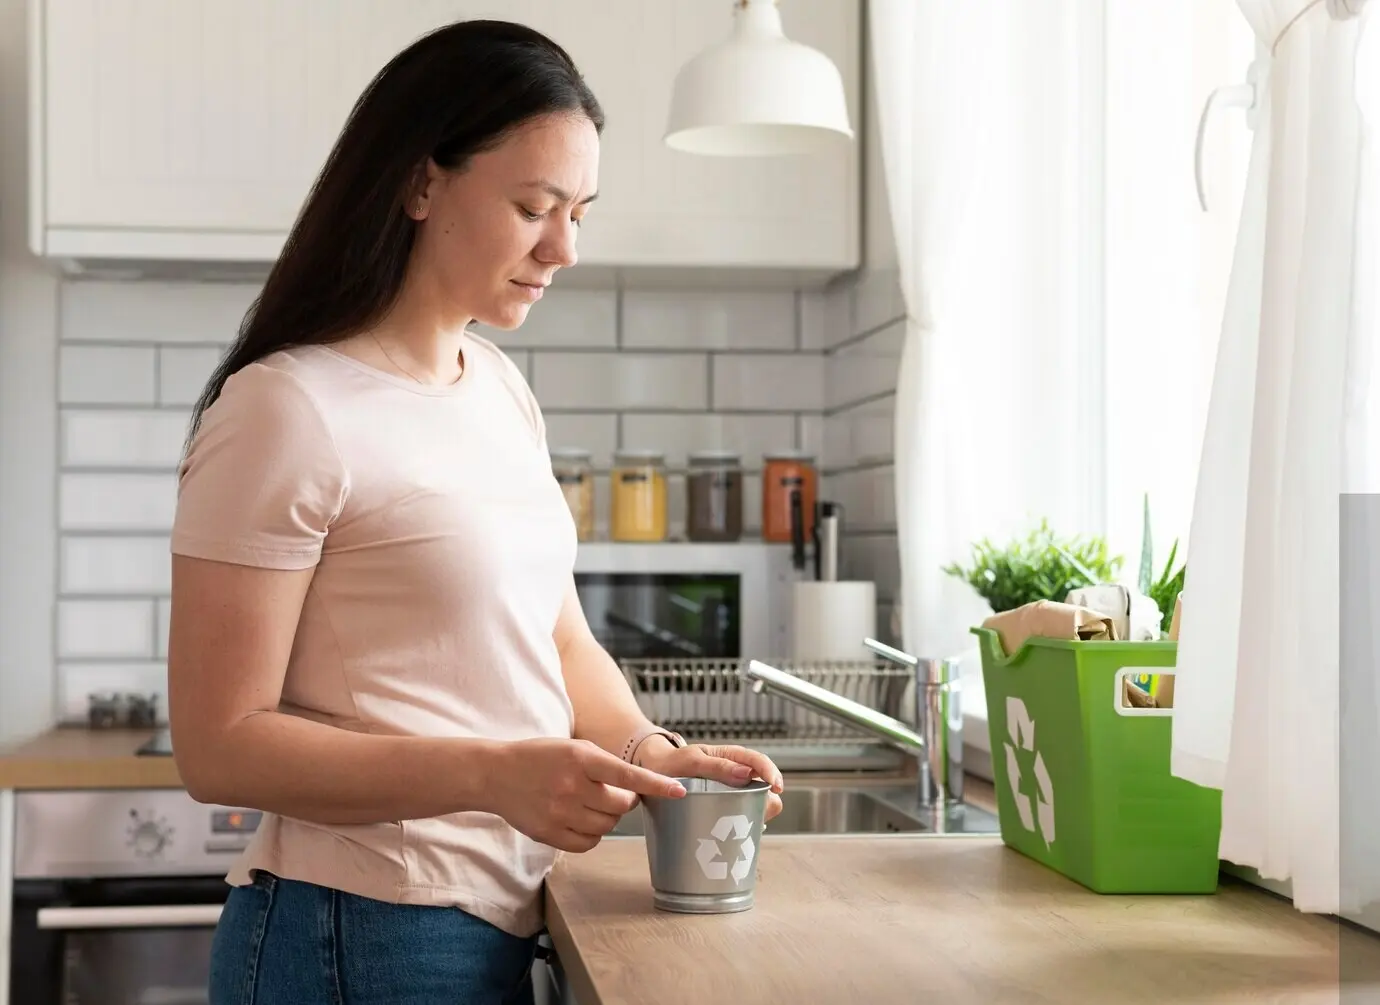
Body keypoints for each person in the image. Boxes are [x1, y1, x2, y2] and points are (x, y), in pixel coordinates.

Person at [166, 19, 785, 1005]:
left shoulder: (496, 389)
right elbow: (220, 742)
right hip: (359, 930)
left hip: (503, 912)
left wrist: (653, 756)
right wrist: (495, 775)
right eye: (535, 205)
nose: (566, 246)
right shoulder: (288, 408)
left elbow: (558, 638)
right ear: (419, 186)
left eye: (580, 210)